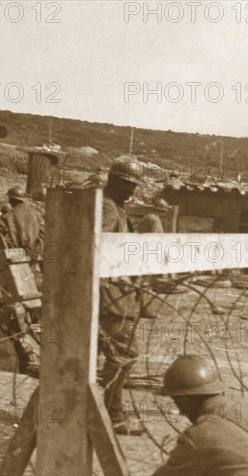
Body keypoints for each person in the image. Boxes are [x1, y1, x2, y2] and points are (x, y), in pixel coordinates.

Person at [98, 159, 144, 435]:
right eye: (126, 184)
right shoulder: (106, 207)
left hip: (113, 292)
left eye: (134, 186)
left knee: (105, 353)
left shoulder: (116, 206)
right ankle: (112, 414)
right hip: (109, 295)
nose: (131, 191)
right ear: (112, 180)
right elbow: (97, 243)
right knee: (124, 354)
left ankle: (96, 410)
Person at [1, 186, 44, 263]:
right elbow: (42, 232)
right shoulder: (36, 213)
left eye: (10, 199)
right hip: (35, 251)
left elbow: (2, 231)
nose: (9, 201)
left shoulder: (10, 215)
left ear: (14, 199)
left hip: (19, 252)